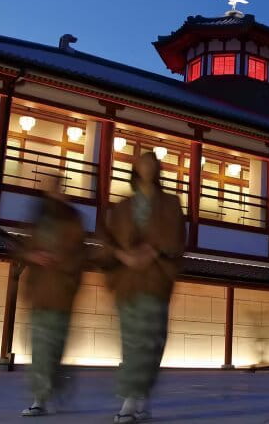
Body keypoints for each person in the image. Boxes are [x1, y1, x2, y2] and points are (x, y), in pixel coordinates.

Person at [102, 152, 186, 423]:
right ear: (135, 169)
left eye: (152, 162)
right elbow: (108, 240)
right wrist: (123, 255)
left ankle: (136, 395)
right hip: (128, 280)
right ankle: (134, 398)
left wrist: (153, 251)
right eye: (143, 162)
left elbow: (177, 238)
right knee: (131, 340)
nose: (148, 166)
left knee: (151, 340)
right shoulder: (123, 207)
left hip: (155, 277)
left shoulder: (171, 203)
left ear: (158, 169)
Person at [15, 176, 87, 417]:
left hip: (61, 293)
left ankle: (56, 380)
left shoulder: (73, 218)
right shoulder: (37, 217)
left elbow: (80, 254)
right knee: (39, 348)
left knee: (54, 347)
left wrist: (61, 262)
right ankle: (40, 398)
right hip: (39, 292)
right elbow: (22, 247)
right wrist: (33, 256)